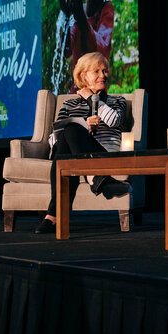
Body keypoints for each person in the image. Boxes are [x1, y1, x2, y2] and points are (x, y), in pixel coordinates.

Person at [35, 52, 130, 234]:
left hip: (104, 153)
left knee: (69, 135)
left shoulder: (117, 101)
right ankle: (93, 176)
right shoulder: (68, 105)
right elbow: (54, 138)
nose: (103, 75)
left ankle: (52, 216)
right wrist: (84, 126)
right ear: (83, 76)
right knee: (69, 131)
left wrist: (91, 99)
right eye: (97, 71)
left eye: (105, 71)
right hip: (72, 153)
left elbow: (114, 121)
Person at [60, 0, 117, 92]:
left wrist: (79, 16)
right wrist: (66, 17)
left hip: (97, 102)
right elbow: (65, 51)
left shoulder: (107, 9)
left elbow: (99, 51)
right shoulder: (79, 11)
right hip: (76, 96)